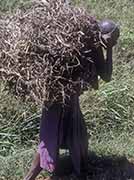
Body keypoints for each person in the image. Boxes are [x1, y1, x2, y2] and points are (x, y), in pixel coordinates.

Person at [24, 19, 120, 180]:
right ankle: (29, 177)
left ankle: (79, 172)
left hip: (71, 101)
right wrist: (108, 48)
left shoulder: (93, 46)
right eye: (114, 38)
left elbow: (106, 76)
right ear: (104, 35)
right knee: (50, 140)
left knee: (79, 136)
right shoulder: (83, 44)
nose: (116, 42)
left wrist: (109, 49)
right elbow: (105, 75)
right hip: (56, 100)